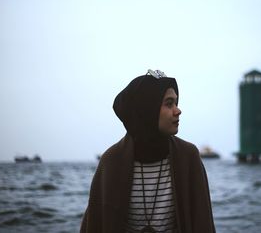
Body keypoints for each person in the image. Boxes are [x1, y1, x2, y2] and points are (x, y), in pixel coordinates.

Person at [80, 70, 215, 233]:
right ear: (147, 109)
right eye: (169, 103)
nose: (178, 110)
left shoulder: (188, 156)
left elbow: (203, 223)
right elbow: (96, 225)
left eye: (176, 103)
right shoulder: (111, 161)